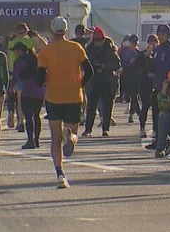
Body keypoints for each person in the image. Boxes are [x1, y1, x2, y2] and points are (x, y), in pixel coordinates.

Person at [37, 16, 94, 189]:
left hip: (54, 97)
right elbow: (89, 71)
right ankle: (70, 135)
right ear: (66, 30)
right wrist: (80, 83)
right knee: (73, 133)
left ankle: (60, 174)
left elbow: (40, 76)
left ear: (53, 31)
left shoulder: (46, 51)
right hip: (73, 95)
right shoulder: (76, 48)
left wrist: (44, 82)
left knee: (55, 138)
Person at [82, 27, 121, 137]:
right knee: (91, 107)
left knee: (107, 106)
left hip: (107, 80)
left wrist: (105, 66)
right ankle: (88, 129)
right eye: (96, 40)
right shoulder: (89, 49)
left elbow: (117, 64)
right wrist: (94, 67)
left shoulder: (110, 49)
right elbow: (85, 63)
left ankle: (105, 129)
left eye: (99, 40)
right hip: (94, 80)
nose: (97, 42)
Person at [9, 41, 45, 149]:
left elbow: (15, 77)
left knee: (28, 117)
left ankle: (30, 140)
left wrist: (11, 89)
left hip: (28, 91)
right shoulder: (37, 58)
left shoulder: (19, 62)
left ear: (20, 51)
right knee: (37, 116)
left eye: (15, 51)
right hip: (40, 91)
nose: (14, 53)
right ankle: (37, 140)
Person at [152, 24, 170, 130]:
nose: (160, 36)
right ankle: (157, 135)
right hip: (157, 83)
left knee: (165, 113)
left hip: (166, 85)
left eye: (163, 34)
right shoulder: (158, 49)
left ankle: (165, 137)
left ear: (168, 35)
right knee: (156, 112)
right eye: (159, 34)